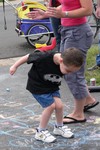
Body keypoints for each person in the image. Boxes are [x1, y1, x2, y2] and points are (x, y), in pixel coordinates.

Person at [27, 0, 99, 124]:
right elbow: (67, 5)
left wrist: (64, 14)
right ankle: (87, 99)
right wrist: (46, 14)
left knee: (73, 73)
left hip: (78, 33)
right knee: (66, 69)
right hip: (68, 30)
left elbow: (87, 10)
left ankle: (78, 114)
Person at [9, 47, 84, 143]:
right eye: (68, 71)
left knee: (59, 106)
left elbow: (67, 69)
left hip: (52, 86)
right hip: (38, 86)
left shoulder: (66, 60)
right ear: (61, 60)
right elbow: (28, 57)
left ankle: (58, 127)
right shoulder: (43, 57)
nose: (69, 74)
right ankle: (40, 132)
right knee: (50, 106)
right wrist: (14, 66)